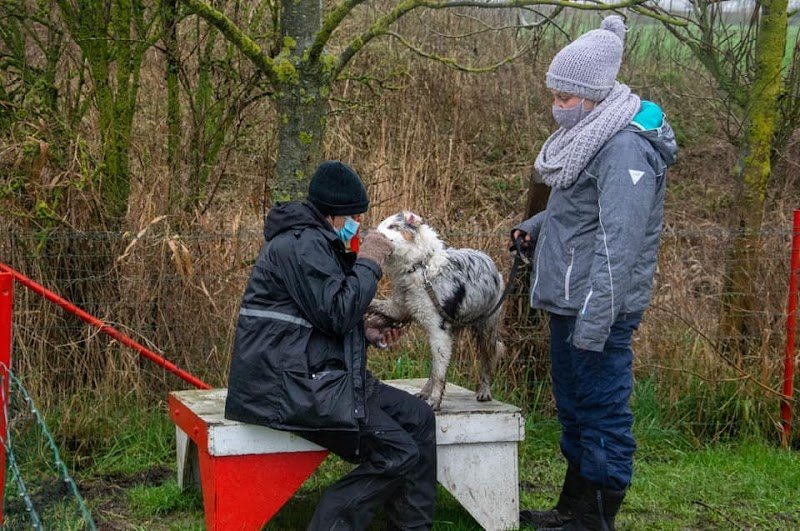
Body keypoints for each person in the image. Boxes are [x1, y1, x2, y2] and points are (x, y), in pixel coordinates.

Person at [513, 15, 678, 531]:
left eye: (565, 95)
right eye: (555, 94)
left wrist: (595, 321)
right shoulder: (589, 135)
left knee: (603, 414)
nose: (557, 104)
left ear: (593, 94)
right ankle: (571, 510)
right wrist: (539, 225)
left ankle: (596, 519)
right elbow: (583, 212)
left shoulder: (624, 147)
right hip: (570, 300)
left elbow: (619, 242)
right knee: (576, 410)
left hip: (598, 307)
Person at [224, 160, 437, 530]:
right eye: (353, 215)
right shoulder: (301, 245)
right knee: (397, 451)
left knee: (419, 419)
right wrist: (369, 260)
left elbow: (321, 318)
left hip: (314, 377)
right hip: (289, 388)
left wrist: (365, 332)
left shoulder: (313, 242)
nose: (356, 224)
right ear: (335, 215)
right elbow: (337, 312)